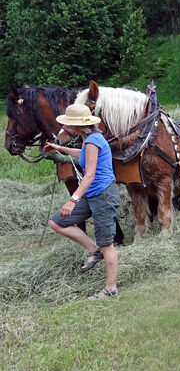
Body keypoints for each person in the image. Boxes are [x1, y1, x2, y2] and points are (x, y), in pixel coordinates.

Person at [44, 104, 121, 300]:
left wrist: (72, 200)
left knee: (107, 244)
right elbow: (83, 156)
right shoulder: (89, 140)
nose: (66, 127)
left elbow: (90, 175)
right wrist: (58, 149)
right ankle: (93, 250)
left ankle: (110, 289)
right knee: (57, 222)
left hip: (103, 195)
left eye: (68, 124)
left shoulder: (94, 140)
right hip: (92, 195)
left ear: (74, 126)